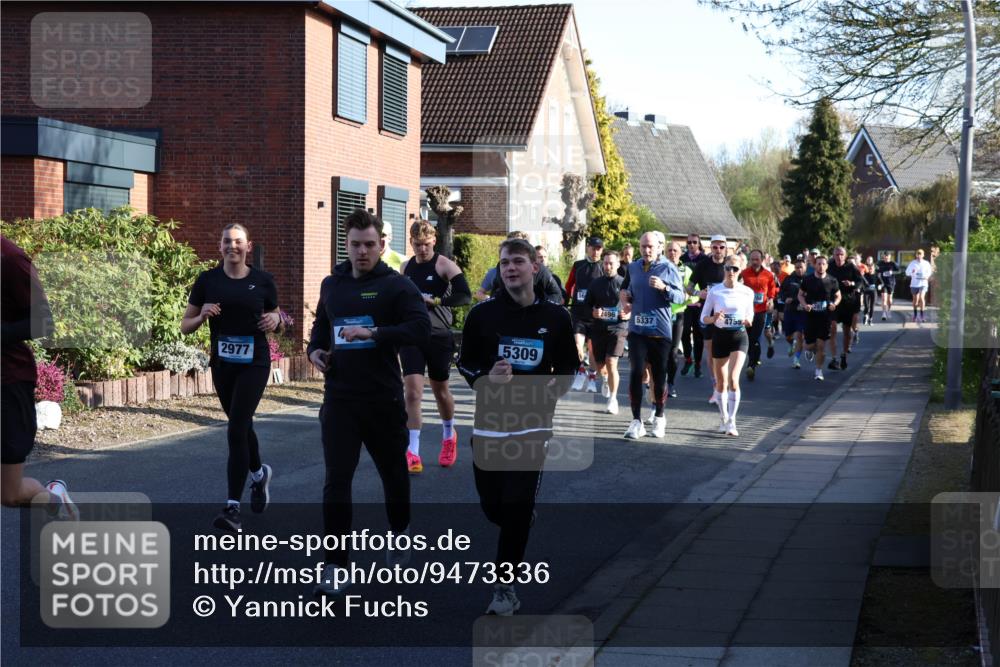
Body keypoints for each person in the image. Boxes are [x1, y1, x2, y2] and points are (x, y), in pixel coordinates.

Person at [308, 209, 430, 595]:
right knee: (336, 482)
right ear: (346, 244)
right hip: (340, 398)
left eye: (370, 245)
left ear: (381, 245)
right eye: (355, 244)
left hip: (382, 398)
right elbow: (320, 330)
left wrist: (376, 333)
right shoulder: (333, 283)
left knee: (393, 477)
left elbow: (420, 327)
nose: (362, 252)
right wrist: (315, 353)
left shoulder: (396, 286)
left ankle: (399, 532)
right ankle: (335, 566)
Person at [457, 238, 577, 615]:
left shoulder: (556, 318)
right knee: (493, 507)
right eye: (505, 262)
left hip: (532, 427)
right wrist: (486, 377)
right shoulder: (482, 315)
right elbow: (464, 364)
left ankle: (504, 588)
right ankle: (518, 519)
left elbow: (569, 371)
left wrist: (546, 394)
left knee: (516, 506)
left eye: (518, 262)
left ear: (534, 268)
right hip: (489, 426)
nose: (510, 268)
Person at [182, 223, 281, 532]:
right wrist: (202, 315)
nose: (232, 246)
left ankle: (232, 509)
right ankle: (258, 474)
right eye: (227, 241)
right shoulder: (207, 280)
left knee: (236, 426)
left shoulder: (263, 281)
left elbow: (278, 318)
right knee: (242, 425)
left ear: (247, 246)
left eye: (238, 242)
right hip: (223, 364)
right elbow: (185, 325)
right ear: (220, 246)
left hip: (255, 363)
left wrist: (276, 320)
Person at [1, 236, 76, 518]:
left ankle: (53, 497)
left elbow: (44, 321)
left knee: (9, 494)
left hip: (7, 382)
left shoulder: (10, 259)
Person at [399, 221, 472, 473]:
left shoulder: (443, 264)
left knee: (440, 390)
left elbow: (465, 295)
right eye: (417, 245)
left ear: (434, 242)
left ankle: (449, 435)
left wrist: (437, 300)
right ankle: (413, 451)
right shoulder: (405, 267)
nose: (422, 250)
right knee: (412, 393)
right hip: (411, 335)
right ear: (411, 243)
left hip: (439, 335)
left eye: (427, 245)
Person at [619, 232, 689, 439]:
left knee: (659, 377)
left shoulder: (668, 268)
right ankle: (636, 421)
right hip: (637, 331)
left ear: (659, 247)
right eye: (643, 246)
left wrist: (664, 287)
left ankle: (659, 417)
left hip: (659, 332)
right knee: (636, 373)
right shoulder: (633, 268)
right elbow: (626, 291)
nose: (646, 250)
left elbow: (681, 297)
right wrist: (626, 300)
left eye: (650, 247)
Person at [700, 254, 754, 436]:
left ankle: (732, 421)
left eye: (735, 269)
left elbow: (750, 315)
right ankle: (723, 418)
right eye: (728, 268)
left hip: (739, 336)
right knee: (721, 383)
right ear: (724, 269)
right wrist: (714, 318)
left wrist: (748, 320)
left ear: (740, 271)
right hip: (720, 336)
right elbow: (703, 317)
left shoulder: (747, 292)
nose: (731, 272)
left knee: (733, 379)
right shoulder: (715, 291)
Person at [584, 251, 630, 414]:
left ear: (618, 264)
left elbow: (634, 305)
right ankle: (605, 379)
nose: (608, 266)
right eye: (605, 263)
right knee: (600, 365)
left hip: (618, 328)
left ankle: (613, 399)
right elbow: (587, 306)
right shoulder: (595, 284)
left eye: (611, 263)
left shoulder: (625, 283)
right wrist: (594, 312)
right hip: (599, 328)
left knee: (612, 362)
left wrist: (628, 313)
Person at [689, 235, 729, 391]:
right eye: (715, 247)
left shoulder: (730, 265)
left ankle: (724, 381)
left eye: (721, 247)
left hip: (727, 314)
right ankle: (715, 384)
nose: (718, 250)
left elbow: (741, 285)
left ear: (725, 248)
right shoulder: (702, 265)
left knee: (726, 350)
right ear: (710, 248)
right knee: (710, 349)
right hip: (707, 313)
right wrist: (699, 293)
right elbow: (689, 287)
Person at [566, 237, 606, 393]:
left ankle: (591, 378)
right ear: (587, 248)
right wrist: (565, 301)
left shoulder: (604, 266)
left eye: (599, 249)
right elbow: (569, 285)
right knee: (577, 347)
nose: (596, 251)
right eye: (593, 248)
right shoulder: (578, 266)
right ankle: (581, 372)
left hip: (595, 316)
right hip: (578, 313)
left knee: (592, 351)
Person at [488, 232, 564, 305]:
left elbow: (557, 295)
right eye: (504, 262)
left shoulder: (542, 271)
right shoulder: (499, 268)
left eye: (518, 245)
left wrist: (538, 307)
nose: (511, 268)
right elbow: (494, 294)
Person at [798, 255, 841, 382]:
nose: (821, 266)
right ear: (814, 265)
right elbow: (800, 295)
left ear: (827, 266)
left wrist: (835, 304)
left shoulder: (832, 280)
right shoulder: (807, 280)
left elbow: (838, 296)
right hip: (810, 316)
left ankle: (818, 371)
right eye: (818, 264)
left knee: (821, 345)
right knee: (810, 345)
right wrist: (805, 305)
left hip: (825, 317)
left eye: (823, 264)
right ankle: (810, 350)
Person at [664, 241, 699, 397]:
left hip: (677, 315)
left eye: (675, 250)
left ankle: (670, 383)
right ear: (665, 252)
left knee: (672, 352)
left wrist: (686, 298)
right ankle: (657, 381)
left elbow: (695, 293)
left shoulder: (686, 271)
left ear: (680, 253)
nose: (672, 253)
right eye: (669, 250)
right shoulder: (659, 268)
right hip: (660, 315)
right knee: (658, 351)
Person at [739, 250, 777, 381]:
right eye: (752, 259)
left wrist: (771, 299)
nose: (755, 262)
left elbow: (772, 290)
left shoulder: (768, 275)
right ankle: (753, 360)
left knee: (755, 338)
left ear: (762, 260)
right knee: (748, 338)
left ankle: (751, 365)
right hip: (746, 311)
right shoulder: (744, 274)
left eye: (757, 259)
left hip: (761, 311)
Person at [827, 247, 864, 370]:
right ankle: (834, 359)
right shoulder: (829, 266)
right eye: (837, 254)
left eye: (841, 254)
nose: (839, 257)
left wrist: (852, 284)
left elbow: (860, 281)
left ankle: (843, 355)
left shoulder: (851, 267)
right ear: (833, 255)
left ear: (845, 255)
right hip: (833, 303)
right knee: (832, 328)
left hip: (848, 302)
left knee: (846, 331)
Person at [679, 233, 708, 377]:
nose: (691, 245)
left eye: (694, 242)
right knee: (684, 333)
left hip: (700, 302)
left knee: (698, 335)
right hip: (685, 303)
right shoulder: (681, 259)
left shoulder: (705, 260)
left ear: (699, 244)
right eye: (689, 242)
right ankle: (688, 359)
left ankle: (697, 364)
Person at [778, 259, 808, 368]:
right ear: (794, 268)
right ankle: (791, 343)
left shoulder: (809, 279)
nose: (799, 269)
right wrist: (785, 298)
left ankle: (796, 360)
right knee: (788, 336)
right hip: (790, 311)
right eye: (797, 267)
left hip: (802, 312)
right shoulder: (789, 279)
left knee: (800, 336)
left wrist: (805, 303)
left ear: (805, 267)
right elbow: (781, 292)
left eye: (801, 267)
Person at [906, 249, 933, 323]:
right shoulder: (912, 263)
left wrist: (927, 276)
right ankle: (915, 315)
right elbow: (907, 273)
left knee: (921, 297)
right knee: (915, 301)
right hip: (914, 284)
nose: (919, 255)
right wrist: (912, 272)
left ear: (923, 255)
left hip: (923, 283)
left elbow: (929, 272)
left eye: (920, 254)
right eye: (918, 254)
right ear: (916, 255)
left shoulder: (926, 263)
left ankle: (922, 316)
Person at [876, 251, 899, 321]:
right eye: (884, 256)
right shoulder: (880, 263)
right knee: (884, 299)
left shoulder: (893, 263)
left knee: (889, 300)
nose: (886, 258)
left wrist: (892, 272)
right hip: (883, 283)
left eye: (887, 256)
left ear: (890, 257)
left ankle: (889, 310)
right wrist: (878, 274)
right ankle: (884, 313)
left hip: (891, 283)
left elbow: (899, 271)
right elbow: (876, 270)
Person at [862, 256, 878, 326]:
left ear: (874, 268)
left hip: (873, 292)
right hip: (866, 292)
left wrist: (880, 286)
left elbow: (882, 283)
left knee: (872, 307)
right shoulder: (865, 275)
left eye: (872, 268)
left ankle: (870, 320)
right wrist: (862, 288)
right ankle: (866, 315)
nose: (871, 270)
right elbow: (862, 283)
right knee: (866, 306)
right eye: (869, 268)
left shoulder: (876, 275)